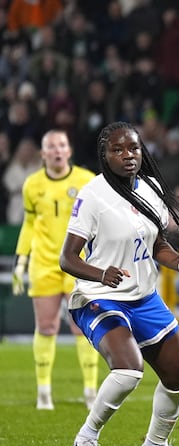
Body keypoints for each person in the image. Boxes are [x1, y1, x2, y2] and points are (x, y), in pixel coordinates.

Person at [60, 121, 179, 446]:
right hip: (99, 297)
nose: (128, 156)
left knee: (178, 375)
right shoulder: (92, 195)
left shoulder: (150, 187)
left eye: (134, 149)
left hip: (143, 297)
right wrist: (101, 274)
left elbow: (156, 244)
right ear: (104, 154)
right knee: (128, 370)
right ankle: (84, 441)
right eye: (118, 150)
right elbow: (67, 258)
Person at [11, 129, 100, 410]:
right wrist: (20, 260)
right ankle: (44, 392)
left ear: (69, 150)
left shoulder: (87, 181)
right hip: (44, 263)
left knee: (82, 328)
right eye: (51, 146)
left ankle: (90, 391)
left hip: (78, 264)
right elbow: (28, 224)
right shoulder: (32, 185)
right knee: (46, 326)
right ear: (43, 153)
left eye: (62, 144)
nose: (57, 150)